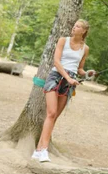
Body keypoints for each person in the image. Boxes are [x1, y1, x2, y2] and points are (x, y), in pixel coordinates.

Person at [31, 19, 94, 163]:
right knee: (51, 113)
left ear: (83, 31)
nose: (74, 27)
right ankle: (43, 150)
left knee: (54, 117)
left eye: (77, 26)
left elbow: (79, 68)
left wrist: (86, 74)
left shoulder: (85, 48)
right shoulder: (63, 41)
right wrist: (68, 78)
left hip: (70, 81)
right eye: (74, 25)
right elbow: (57, 62)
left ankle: (38, 150)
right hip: (55, 76)